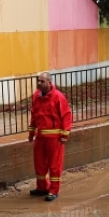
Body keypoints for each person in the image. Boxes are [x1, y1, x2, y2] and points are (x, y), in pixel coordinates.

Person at [28, 72, 72, 202]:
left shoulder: (58, 97)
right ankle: (42, 187)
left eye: (42, 81)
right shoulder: (36, 96)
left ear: (49, 83)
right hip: (40, 137)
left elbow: (66, 115)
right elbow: (34, 115)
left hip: (54, 138)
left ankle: (54, 190)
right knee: (39, 164)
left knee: (54, 165)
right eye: (38, 81)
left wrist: (65, 134)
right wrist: (31, 133)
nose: (39, 83)